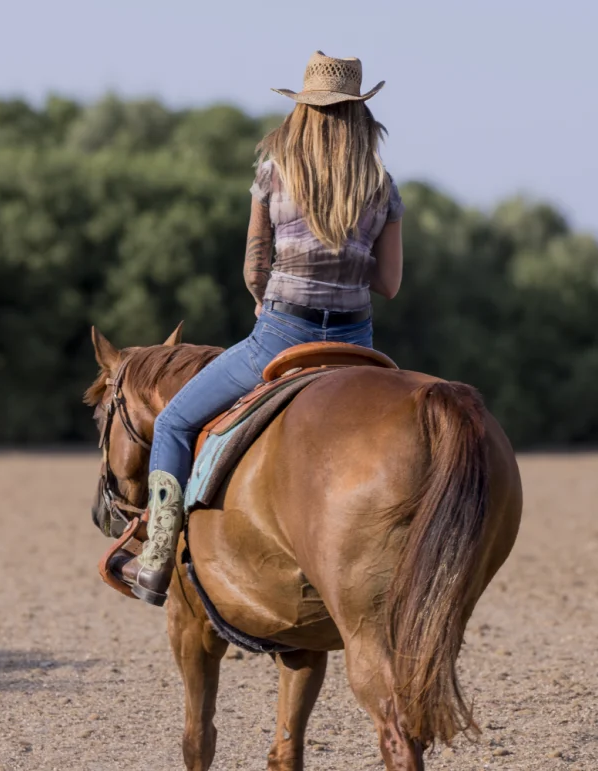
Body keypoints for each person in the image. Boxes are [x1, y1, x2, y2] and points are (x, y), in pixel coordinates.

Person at [110, 51, 405, 606]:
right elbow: (389, 283)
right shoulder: (382, 184)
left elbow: (254, 266)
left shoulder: (274, 172)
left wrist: (264, 300)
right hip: (354, 346)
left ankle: (155, 558)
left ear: (302, 111)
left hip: (282, 334)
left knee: (173, 423)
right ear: (361, 114)